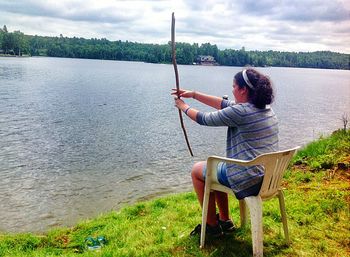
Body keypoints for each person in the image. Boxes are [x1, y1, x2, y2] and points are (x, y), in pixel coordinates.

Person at [172, 68, 279, 237]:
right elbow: (223, 104)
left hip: (247, 179)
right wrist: (193, 94)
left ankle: (211, 226)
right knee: (217, 168)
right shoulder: (265, 108)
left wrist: (183, 106)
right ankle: (225, 221)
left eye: (234, 86)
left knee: (197, 171)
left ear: (243, 90)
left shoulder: (241, 112)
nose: (232, 89)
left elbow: (204, 118)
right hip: (267, 177)